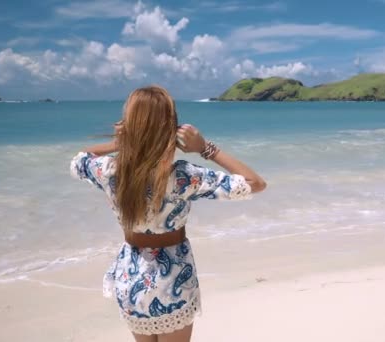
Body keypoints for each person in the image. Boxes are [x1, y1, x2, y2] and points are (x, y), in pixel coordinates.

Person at [69, 85, 266, 342]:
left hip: (131, 277)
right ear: (171, 128)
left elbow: (79, 160)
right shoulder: (184, 176)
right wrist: (206, 148)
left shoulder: (108, 170)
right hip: (173, 280)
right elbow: (255, 183)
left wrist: (119, 143)